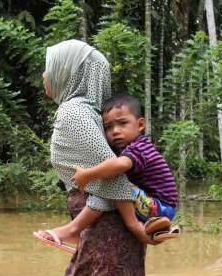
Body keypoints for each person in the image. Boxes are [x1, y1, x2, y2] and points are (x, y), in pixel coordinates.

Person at [33, 39, 154, 250]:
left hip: (106, 226)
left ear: (67, 72)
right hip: (107, 221)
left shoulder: (74, 112)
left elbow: (113, 173)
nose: (44, 75)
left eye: (49, 67)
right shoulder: (90, 112)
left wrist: (133, 225)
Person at [71, 94, 180, 243]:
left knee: (114, 179)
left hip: (159, 206)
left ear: (140, 125)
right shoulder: (137, 146)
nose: (115, 131)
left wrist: (87, 175)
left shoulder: (139, 148)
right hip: (156, 204)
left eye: (122, 123)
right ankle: (155, 228)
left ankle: (74, 229)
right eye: (108, 127)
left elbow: (120, 165)